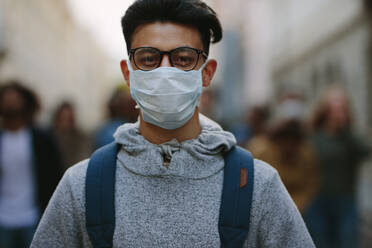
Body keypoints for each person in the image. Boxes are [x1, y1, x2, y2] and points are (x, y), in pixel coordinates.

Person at [30, 0, 315, 247]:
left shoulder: (256, 186)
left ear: (207, 73)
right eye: (149, 58)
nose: (165, 71)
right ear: (128, 74)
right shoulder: (82, 186)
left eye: (183, 59)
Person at [304, 85, 370, 248]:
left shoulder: (350, 136)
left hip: (346, 200)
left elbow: (365, 152)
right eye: (334, 108)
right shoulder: (315, 137)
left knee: (347, 241)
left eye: (341, 108)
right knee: (320, 242)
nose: (337, 113)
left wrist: (345, 130)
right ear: (325, 110)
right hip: (318, 200)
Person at [0, 81, 63, 248]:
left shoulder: (41, 139)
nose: (10, 103)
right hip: (3, 219)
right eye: (6, 98)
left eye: (14, 98)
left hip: (34, 217)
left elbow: (55, 175)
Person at [247, 95, 320, 213]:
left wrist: (293, 207)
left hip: (297, 210)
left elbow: (309, 185)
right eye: (285, 136)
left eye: (294, 137)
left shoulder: (306, 154)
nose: (289, 143)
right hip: (264, 208)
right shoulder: (260, 149)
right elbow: (253, 184)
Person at [51, 101, 92, 170]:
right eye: (63, 119)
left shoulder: (81, 137)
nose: (65, 123)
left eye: (69, 119)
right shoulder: (51, 137)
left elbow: (84, 157)